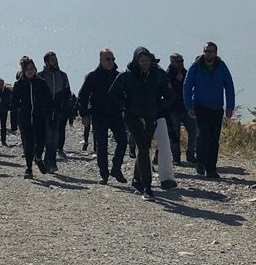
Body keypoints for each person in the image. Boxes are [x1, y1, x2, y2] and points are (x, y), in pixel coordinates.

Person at [110, 46, 170, 198]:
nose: (144, 63)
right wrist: (125, 105)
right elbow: (113, 93)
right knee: (143, 148)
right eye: (141, 60)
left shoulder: (158, 74)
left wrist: (159, 106)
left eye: (147, 60)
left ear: (151, 60)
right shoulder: (127, 75)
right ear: (136, 60)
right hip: (132, 116)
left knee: (145, 146)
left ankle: (137, 180)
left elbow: (170, 94)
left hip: (151, 116)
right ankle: (147, 187)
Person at [184, 40, 236, 180]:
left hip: (217, 108)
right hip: (200, 107)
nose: (208, 54)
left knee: (214, 139)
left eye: (211, 51)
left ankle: (211, 168)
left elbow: (229, 86)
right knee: (204, 136)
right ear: (203, 52)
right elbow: (187, 86)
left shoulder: (221, 66)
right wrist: (189, 106)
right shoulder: (195, 66)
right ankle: (201, 162)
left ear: (216, 53)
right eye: (206, 51)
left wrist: (230, 107)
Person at [77, 48, 128, 185]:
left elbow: (125, 94)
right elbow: (83, 96)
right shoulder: (93, 76)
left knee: (123, 141)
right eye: (108, 59)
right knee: (102, 145)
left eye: (113, 59)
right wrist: (84, 114)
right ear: (100, 60)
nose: (111, 61)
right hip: (99, 115)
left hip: (116, 114)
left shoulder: (119, 76)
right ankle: (104, 174)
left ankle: (116, 169)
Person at [9, 56, 53, 179]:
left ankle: (38, 158)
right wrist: (13, 122)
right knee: (29, 144)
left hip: (39, 117)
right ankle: (29, 168)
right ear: (23, 70)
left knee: (40, 142)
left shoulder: (41, 83)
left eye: (32, 68)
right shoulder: (19, 84)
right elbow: (14, 103)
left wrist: (49, 114)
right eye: (27, 68)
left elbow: (48, 100)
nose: (30, 70)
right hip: (25, 119)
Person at [40, 52, 70, 171]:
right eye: (52, 59)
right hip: (45, 111)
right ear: (47, 62)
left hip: (58, 111)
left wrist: (66, 108)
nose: (55, 61)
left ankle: (51, 162)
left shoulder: (63, 76)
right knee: (47, 137)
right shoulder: (41, 75)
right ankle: (47, 161)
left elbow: (67, 92)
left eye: (56, 59)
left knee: (54, 136)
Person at [166, 53, 197, 165]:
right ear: (172, 62)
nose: (180, 63)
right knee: (175, 134)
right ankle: (176, 157)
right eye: (178, 61)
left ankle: (190, 155)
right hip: (173, 109)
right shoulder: (167, 75)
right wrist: (176, 82)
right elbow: (167, 91)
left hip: (186, 108)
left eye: (182, 61)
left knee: (193, 131)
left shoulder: (186, 73)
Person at [0, 78, 14, 145]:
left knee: (3, 126)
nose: (0, 85)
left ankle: (3, 140)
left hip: (4, 110)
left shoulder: (7, 90)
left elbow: (10, 98)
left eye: (1, 83)